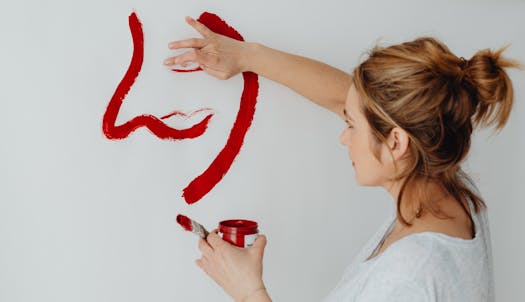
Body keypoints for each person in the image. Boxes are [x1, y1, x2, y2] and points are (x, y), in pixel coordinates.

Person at [164, 16, 523, 302]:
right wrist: (247, 56)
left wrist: (247, 291)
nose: (343, 136)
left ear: (397, 141)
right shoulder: (448, 183)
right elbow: (347, 98)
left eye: (351, 125)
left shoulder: (408, 278)